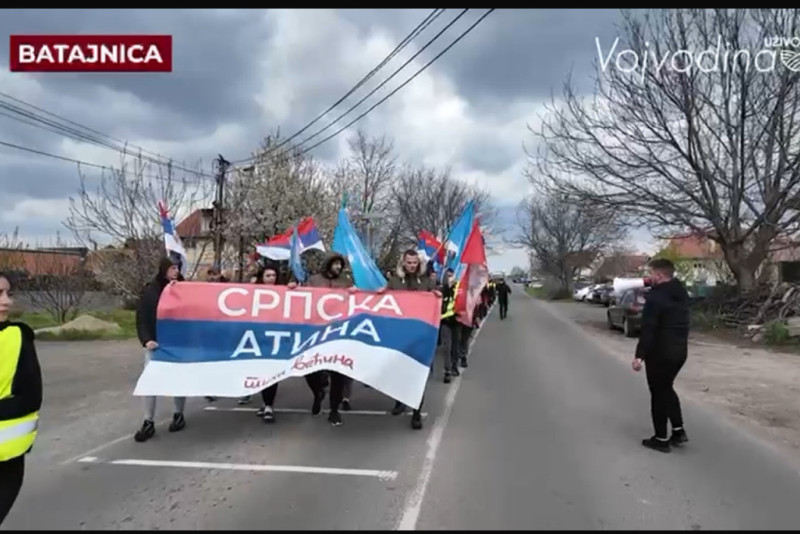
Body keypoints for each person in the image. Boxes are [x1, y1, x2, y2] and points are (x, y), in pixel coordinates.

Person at [252, 264, 327, 424]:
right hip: (266, 339)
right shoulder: (254, 293)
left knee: (304, 366)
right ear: (261, 278)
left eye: (273, 275)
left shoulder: (286, 291)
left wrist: (295, 290)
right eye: (268, 276)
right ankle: (268, 405)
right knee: (269, 371)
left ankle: (318, 391)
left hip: (288, 336)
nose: (271, 278)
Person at [632, 258, 690, 453]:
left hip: (660, 352)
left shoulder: (656, 297)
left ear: (658, 275)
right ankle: (678, 430)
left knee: (658, 394)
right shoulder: (680, 293)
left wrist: (639, 355)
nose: (649, 277)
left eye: (651, 274)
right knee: (666, 388)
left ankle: (661, 438)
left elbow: (649, 328)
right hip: (680, 351)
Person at [0, 273, 43, 526]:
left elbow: (31, 398)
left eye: (8, 293)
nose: (6, 301)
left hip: (6, 456)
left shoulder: (18, 338)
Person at [387, 249, 442, 429]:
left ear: (419, 263)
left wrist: (438, 294)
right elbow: (384, 302)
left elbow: (438, 298)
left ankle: (416, 412)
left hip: (421, 335)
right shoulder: (394, 281)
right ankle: (399, 401)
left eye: (414, 263)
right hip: (400, 334)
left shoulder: (427, 282)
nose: (411, 265)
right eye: (409, 262)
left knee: (418, 373)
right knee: (398, 371)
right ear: (403, 263)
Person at [134, 257, 186, 443]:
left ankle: (178, 414)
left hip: (178, 344)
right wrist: (146, 339)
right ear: (164, 269)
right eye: (172, 268)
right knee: (150, 382)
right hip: (156, 344)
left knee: (179, 380)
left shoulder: (184, 289)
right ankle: (148, 420)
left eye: (178, 268)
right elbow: (142, 318)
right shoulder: (151, 291)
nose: (176, 271)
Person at [304, 253, 357, 426]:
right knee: (309, 369)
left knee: (338, 373)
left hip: (339, 332)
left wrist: (355, 293)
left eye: (340, 264)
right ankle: (318, 392)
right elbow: (302, 300)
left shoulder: (345, 281)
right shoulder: (314, 280)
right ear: (328, 264)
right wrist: (293, 289)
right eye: (335, 264)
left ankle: (334, 410)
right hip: (317, 332)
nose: (338, 267)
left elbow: (355, 302)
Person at [439, 268, 462, 384]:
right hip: (445, 321)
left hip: (457, 321)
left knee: (455, 346)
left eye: (452, 276)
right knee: (446, 347)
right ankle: (447, 371)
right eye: (448, 276)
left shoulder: (459, 289)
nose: (450, 278)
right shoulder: (441, 290)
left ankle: (454, 366)